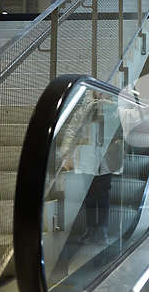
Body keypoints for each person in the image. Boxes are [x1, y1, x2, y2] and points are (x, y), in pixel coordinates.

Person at [61, 91, 124, 245]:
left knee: (102, 194)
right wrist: (65, 154)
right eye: (98, 90)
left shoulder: (116, 109)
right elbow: (72, 131)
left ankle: (102, 230)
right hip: (87, 157)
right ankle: (90, 229)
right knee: (89, 194)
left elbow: (124, 132)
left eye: (104, 91)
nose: (101, 94)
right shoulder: (85, 109)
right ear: (93, 91)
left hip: (105, 158)